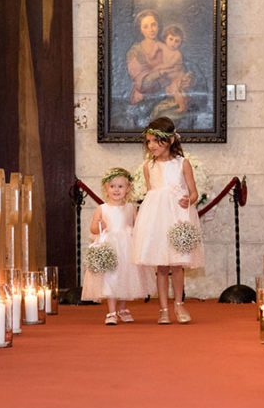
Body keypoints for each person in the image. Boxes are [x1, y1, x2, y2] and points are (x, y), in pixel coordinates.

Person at [131, 116, 204, 324]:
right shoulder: (148, 166)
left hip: (177, 216)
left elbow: (194, 193)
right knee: (161, 266)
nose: (152, 145)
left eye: (156, 141)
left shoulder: (182, 164)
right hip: (156, 218)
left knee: (177, 264)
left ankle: (179, 305)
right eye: (148, 142)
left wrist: (188, 200)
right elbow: (151, 192)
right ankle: (163, 309)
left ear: (170, 140)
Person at [81, 167, 155, 325]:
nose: (116, 190)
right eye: (112, 186)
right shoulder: (102, 208)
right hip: (110, 248)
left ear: (128, 189)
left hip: (127, 248)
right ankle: (111, 312)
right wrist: (99, 226)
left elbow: (138, 226)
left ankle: (122, 308)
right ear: (106, 188)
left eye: (120, 186)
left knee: (126, 277)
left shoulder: (130, 208)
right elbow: (93, 229)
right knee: (111, 278)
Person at [127, 9, 168, 105]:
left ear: (158, 26)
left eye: (153, 25)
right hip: (144, 98)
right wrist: (159, 74)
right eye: (145, 27)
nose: (151, 30)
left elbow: (178, 69)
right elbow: (142, 83)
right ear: (140, 30)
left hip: (168, 94)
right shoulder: (136, 51)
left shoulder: (167, 46)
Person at [158, 25, 193, 113]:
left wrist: (160, 68)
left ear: (180, 43)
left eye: (177, 41)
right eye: (171, 39)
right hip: (170, 77)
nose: (173, 43)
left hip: (178, 76)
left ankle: (182, 107)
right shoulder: (163, 49)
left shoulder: (177, 54)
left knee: (175, 89)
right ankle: (185, 99)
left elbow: (170, 65)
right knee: (169, 90)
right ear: (165, 38)